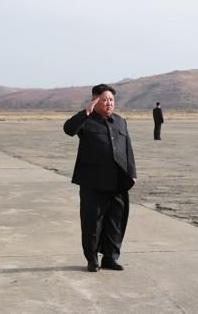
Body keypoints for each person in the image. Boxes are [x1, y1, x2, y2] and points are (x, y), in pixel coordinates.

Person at [63, 83, 137, 272]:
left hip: (118, 180)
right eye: (104, 100)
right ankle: (92, 259)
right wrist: (85, 112)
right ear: (95, 101)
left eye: (111, 100)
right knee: (92, 222)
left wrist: (132, 172)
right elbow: (68, 129)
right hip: (93, 181)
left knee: (116, 221)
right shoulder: (86, 121)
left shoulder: (120, 121)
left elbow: (128, 148)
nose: (109, 103)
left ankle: (110, 258)